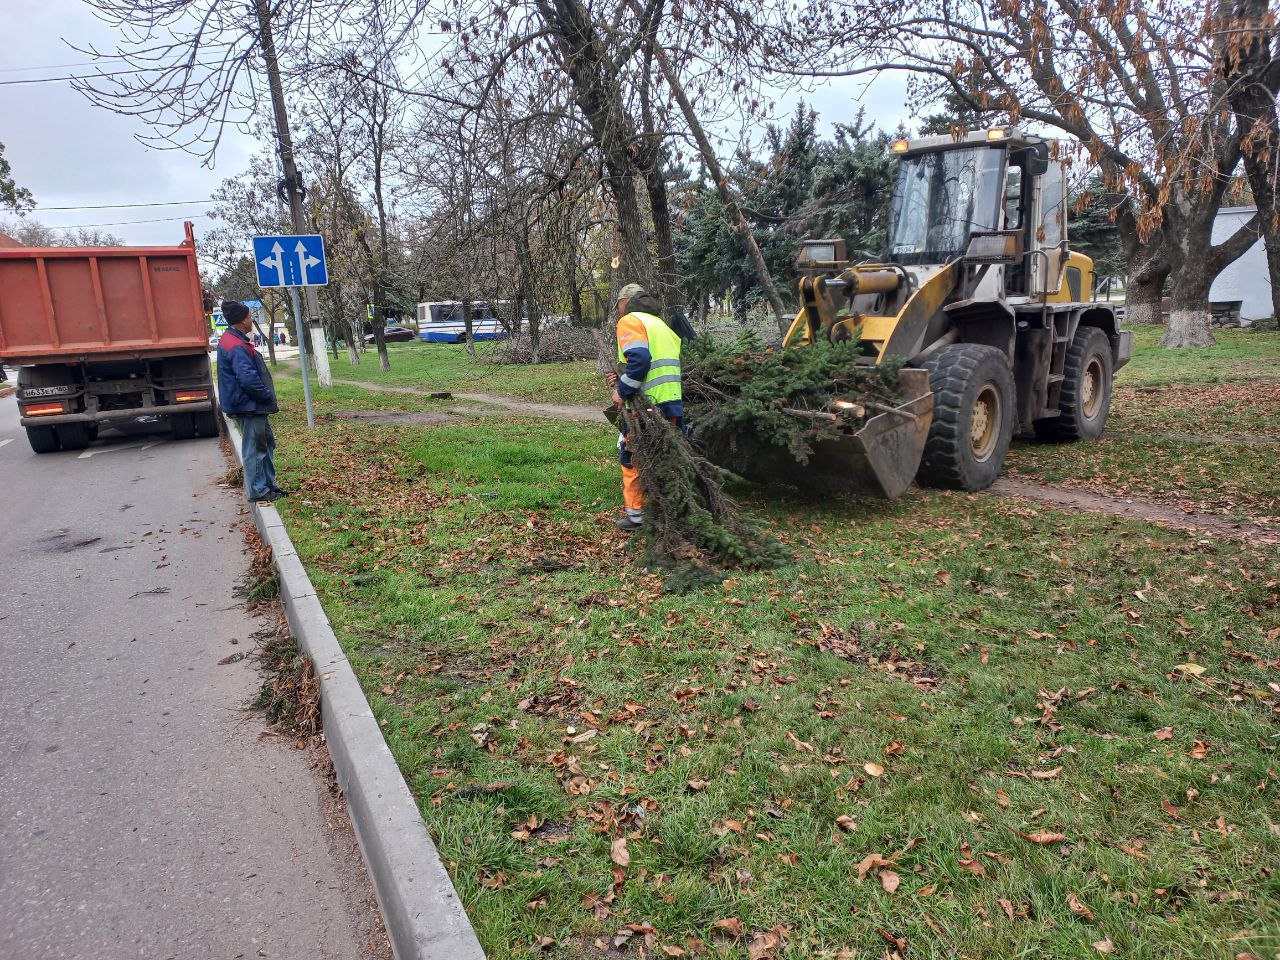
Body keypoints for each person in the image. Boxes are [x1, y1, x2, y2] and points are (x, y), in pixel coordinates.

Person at [610, 283, 684, 532]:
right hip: (670, 401)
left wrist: (621, 391)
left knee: (632, 456)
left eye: (618, 305)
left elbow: (640, 361)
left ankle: (637, 515)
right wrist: (620, 377)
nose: (618, 311)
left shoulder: (630, 321)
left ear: (625, 302)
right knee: (663, 456)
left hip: (646, 405)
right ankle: (670, 510)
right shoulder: (660, 325)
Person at [217, 300, 286, 504]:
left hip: (251, 405)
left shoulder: (234, 339)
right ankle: (258, 490)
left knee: (266, 443)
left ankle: (269, 484)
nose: (251, 319)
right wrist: (265, 395)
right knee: (255, 448)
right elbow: (247, 379)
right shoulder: (235, 345)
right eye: (249, 316)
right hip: (249, 406)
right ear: (241, 321)